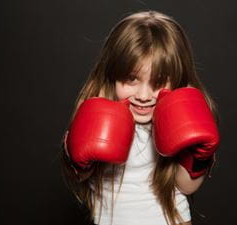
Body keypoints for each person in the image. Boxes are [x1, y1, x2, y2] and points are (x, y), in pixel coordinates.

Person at [60, 10, 220, 225]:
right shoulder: (96, 112)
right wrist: (78, 159)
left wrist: (200, 156)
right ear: (112, 74)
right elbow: (80, 177)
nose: (144, 96)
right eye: (131, 79)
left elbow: (186, 186)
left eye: (159, 81)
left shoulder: (181, 117)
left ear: (178, 78)